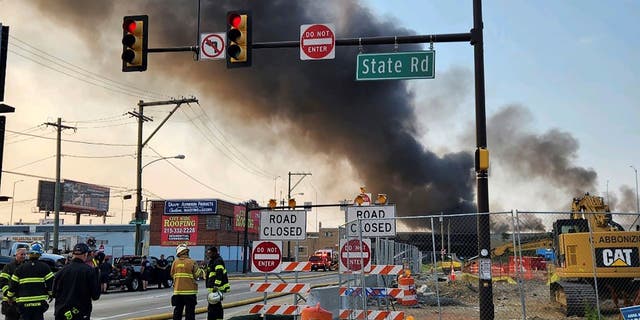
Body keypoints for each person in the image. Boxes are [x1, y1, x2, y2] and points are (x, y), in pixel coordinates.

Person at [6, 242, 54, 320]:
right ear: (39, 255)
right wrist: (51, 294)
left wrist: (9, 296)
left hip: (23, 304)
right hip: (39, 304)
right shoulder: (45, 267)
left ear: (29, 254)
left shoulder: (20, 268)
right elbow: (51, 284)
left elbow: (13, 285)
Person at [52, 243, 100, 320]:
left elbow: (54, 293)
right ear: (85, 255)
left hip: (61, 313)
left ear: (73, 254)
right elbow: (95, 295)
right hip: (80, 313)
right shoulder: (90, 271)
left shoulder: (61, 271)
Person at [170, 244, 201, 320]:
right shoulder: (192, 262)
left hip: (178, 292)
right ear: (186, 252)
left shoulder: (175, 263)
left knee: (177, 311)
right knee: (190, 313)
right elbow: (197, 275)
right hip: (190, 292)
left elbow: (172, 274)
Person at [0, 248, 27, 320]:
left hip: (23, 301)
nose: (23, 256)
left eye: (25, 254)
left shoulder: (27, 266)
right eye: (21, 254)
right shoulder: (8, 267)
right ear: (16, 255)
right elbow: (3, 282)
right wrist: (8, 295)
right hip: (11, 303)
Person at [205, 247, 230, 320]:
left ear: (215, 252)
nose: (208, 254)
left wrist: (216, 285)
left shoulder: (218, 261)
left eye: (210, 253)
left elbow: (219, 274)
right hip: (213, 287)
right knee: (215, 306)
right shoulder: (213, 261)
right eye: (208, 253)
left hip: (216, 288)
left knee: (214, 307)